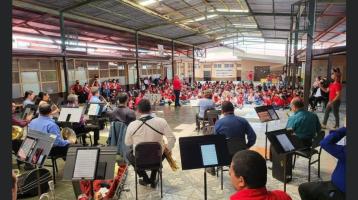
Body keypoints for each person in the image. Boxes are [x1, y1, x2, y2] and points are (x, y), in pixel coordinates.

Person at [125, 99, 176, 188]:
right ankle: (153, 176)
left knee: (128, 154)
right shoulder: (161, 121)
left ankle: (144, 177)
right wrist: (166, 149)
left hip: (139, 157)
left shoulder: (132, 125)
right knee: (161, 151)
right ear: (151, 109)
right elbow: (172, 139)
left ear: (138, 111)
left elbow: (127, 142)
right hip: (156, 156)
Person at [298, 127, 346, 200]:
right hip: (312, 143)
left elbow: (325, 143)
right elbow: (318, 128)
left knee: (303, 188)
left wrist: (345, 129)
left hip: (339, 190)